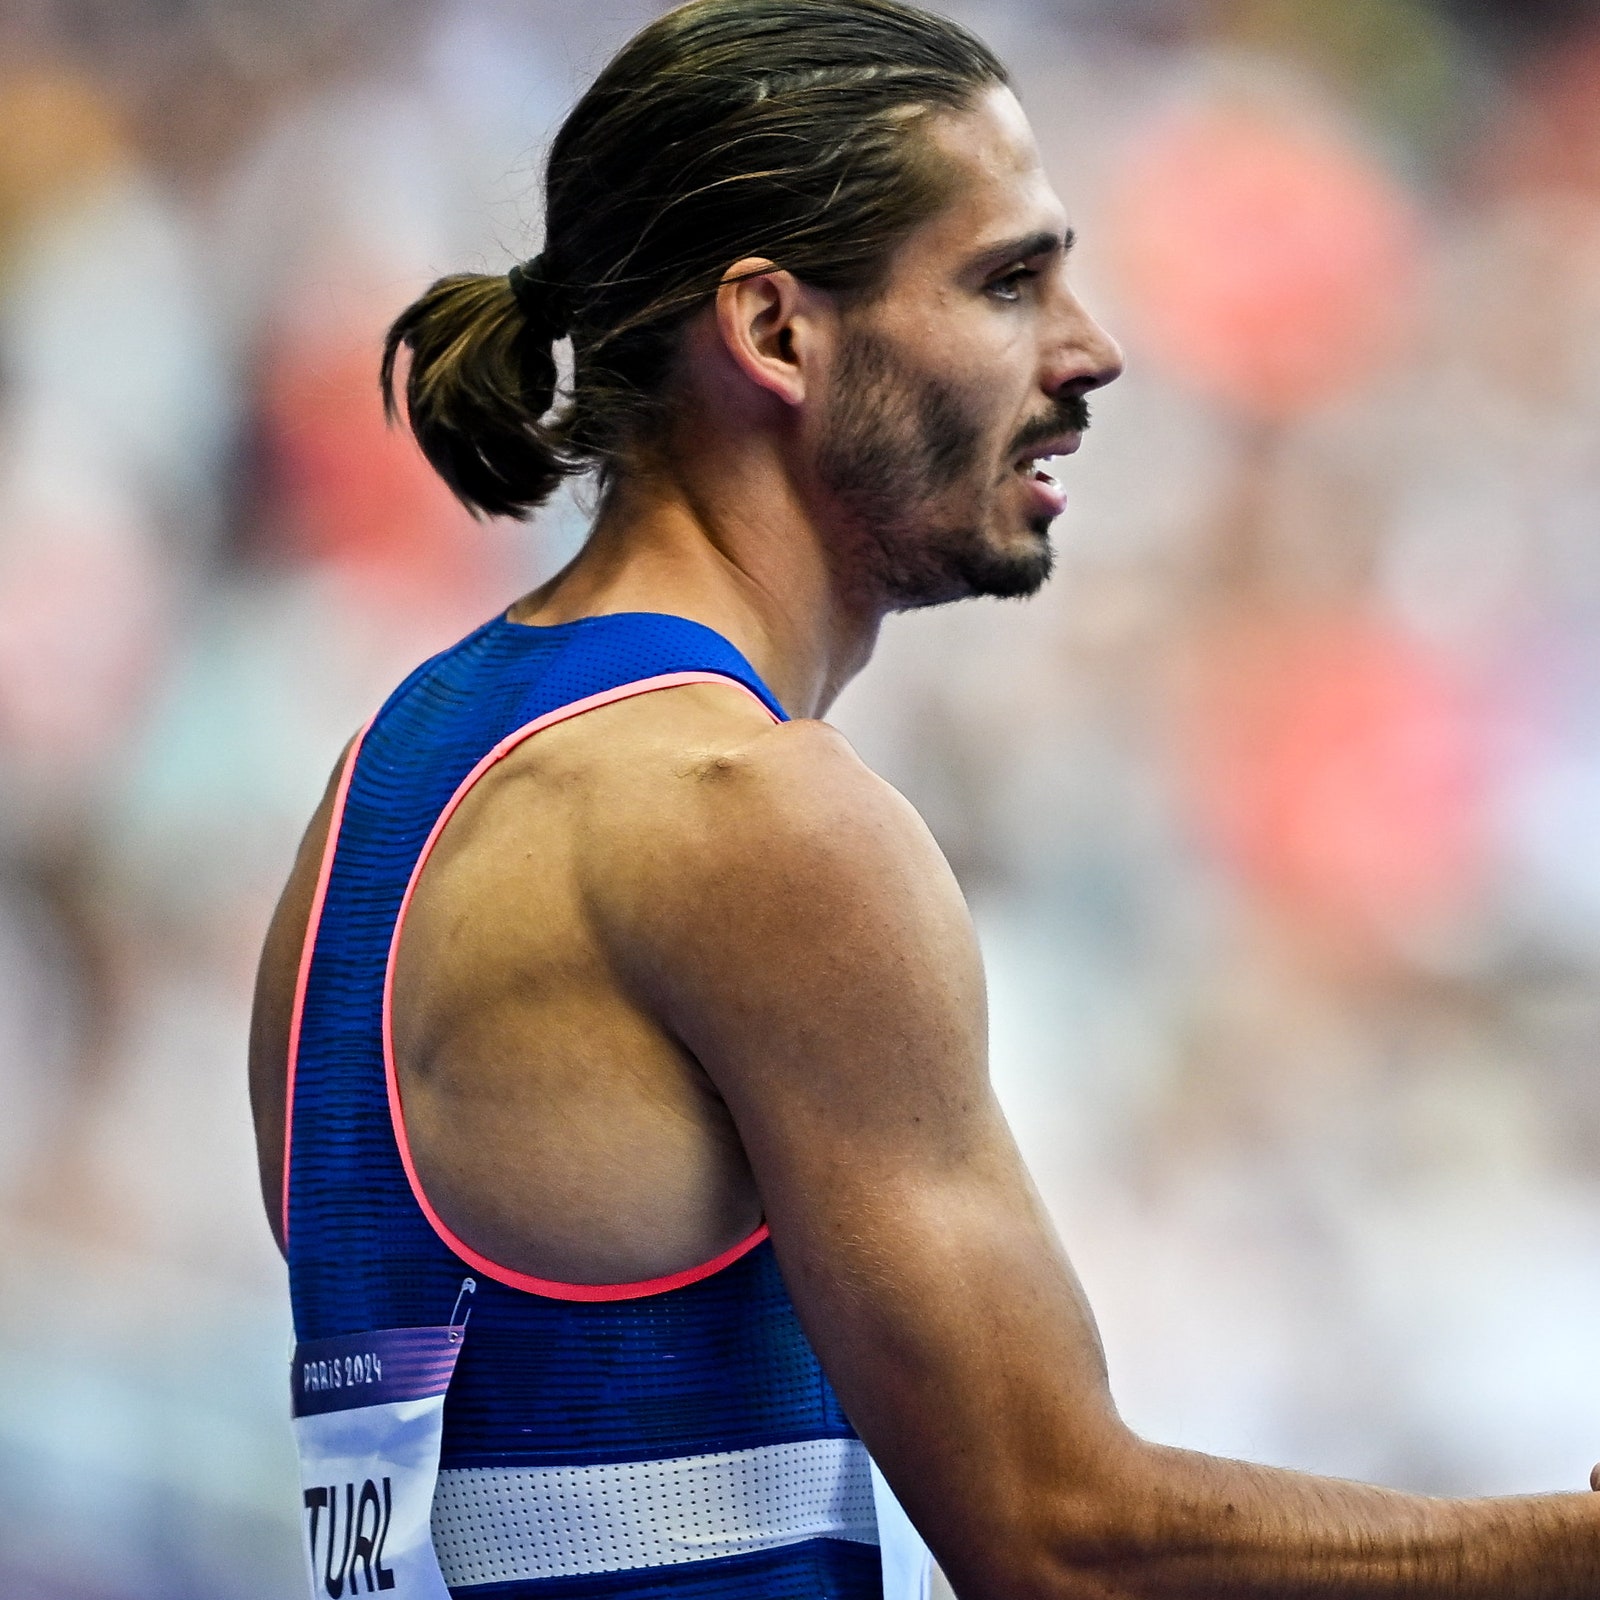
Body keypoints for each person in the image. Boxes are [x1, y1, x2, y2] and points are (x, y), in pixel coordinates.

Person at [248, 1, 1600, 1595]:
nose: (1091, 347)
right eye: (1008, 281)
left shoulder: (375, 789)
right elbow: (1061, 1542)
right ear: (775, 334)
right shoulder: (749, 816)